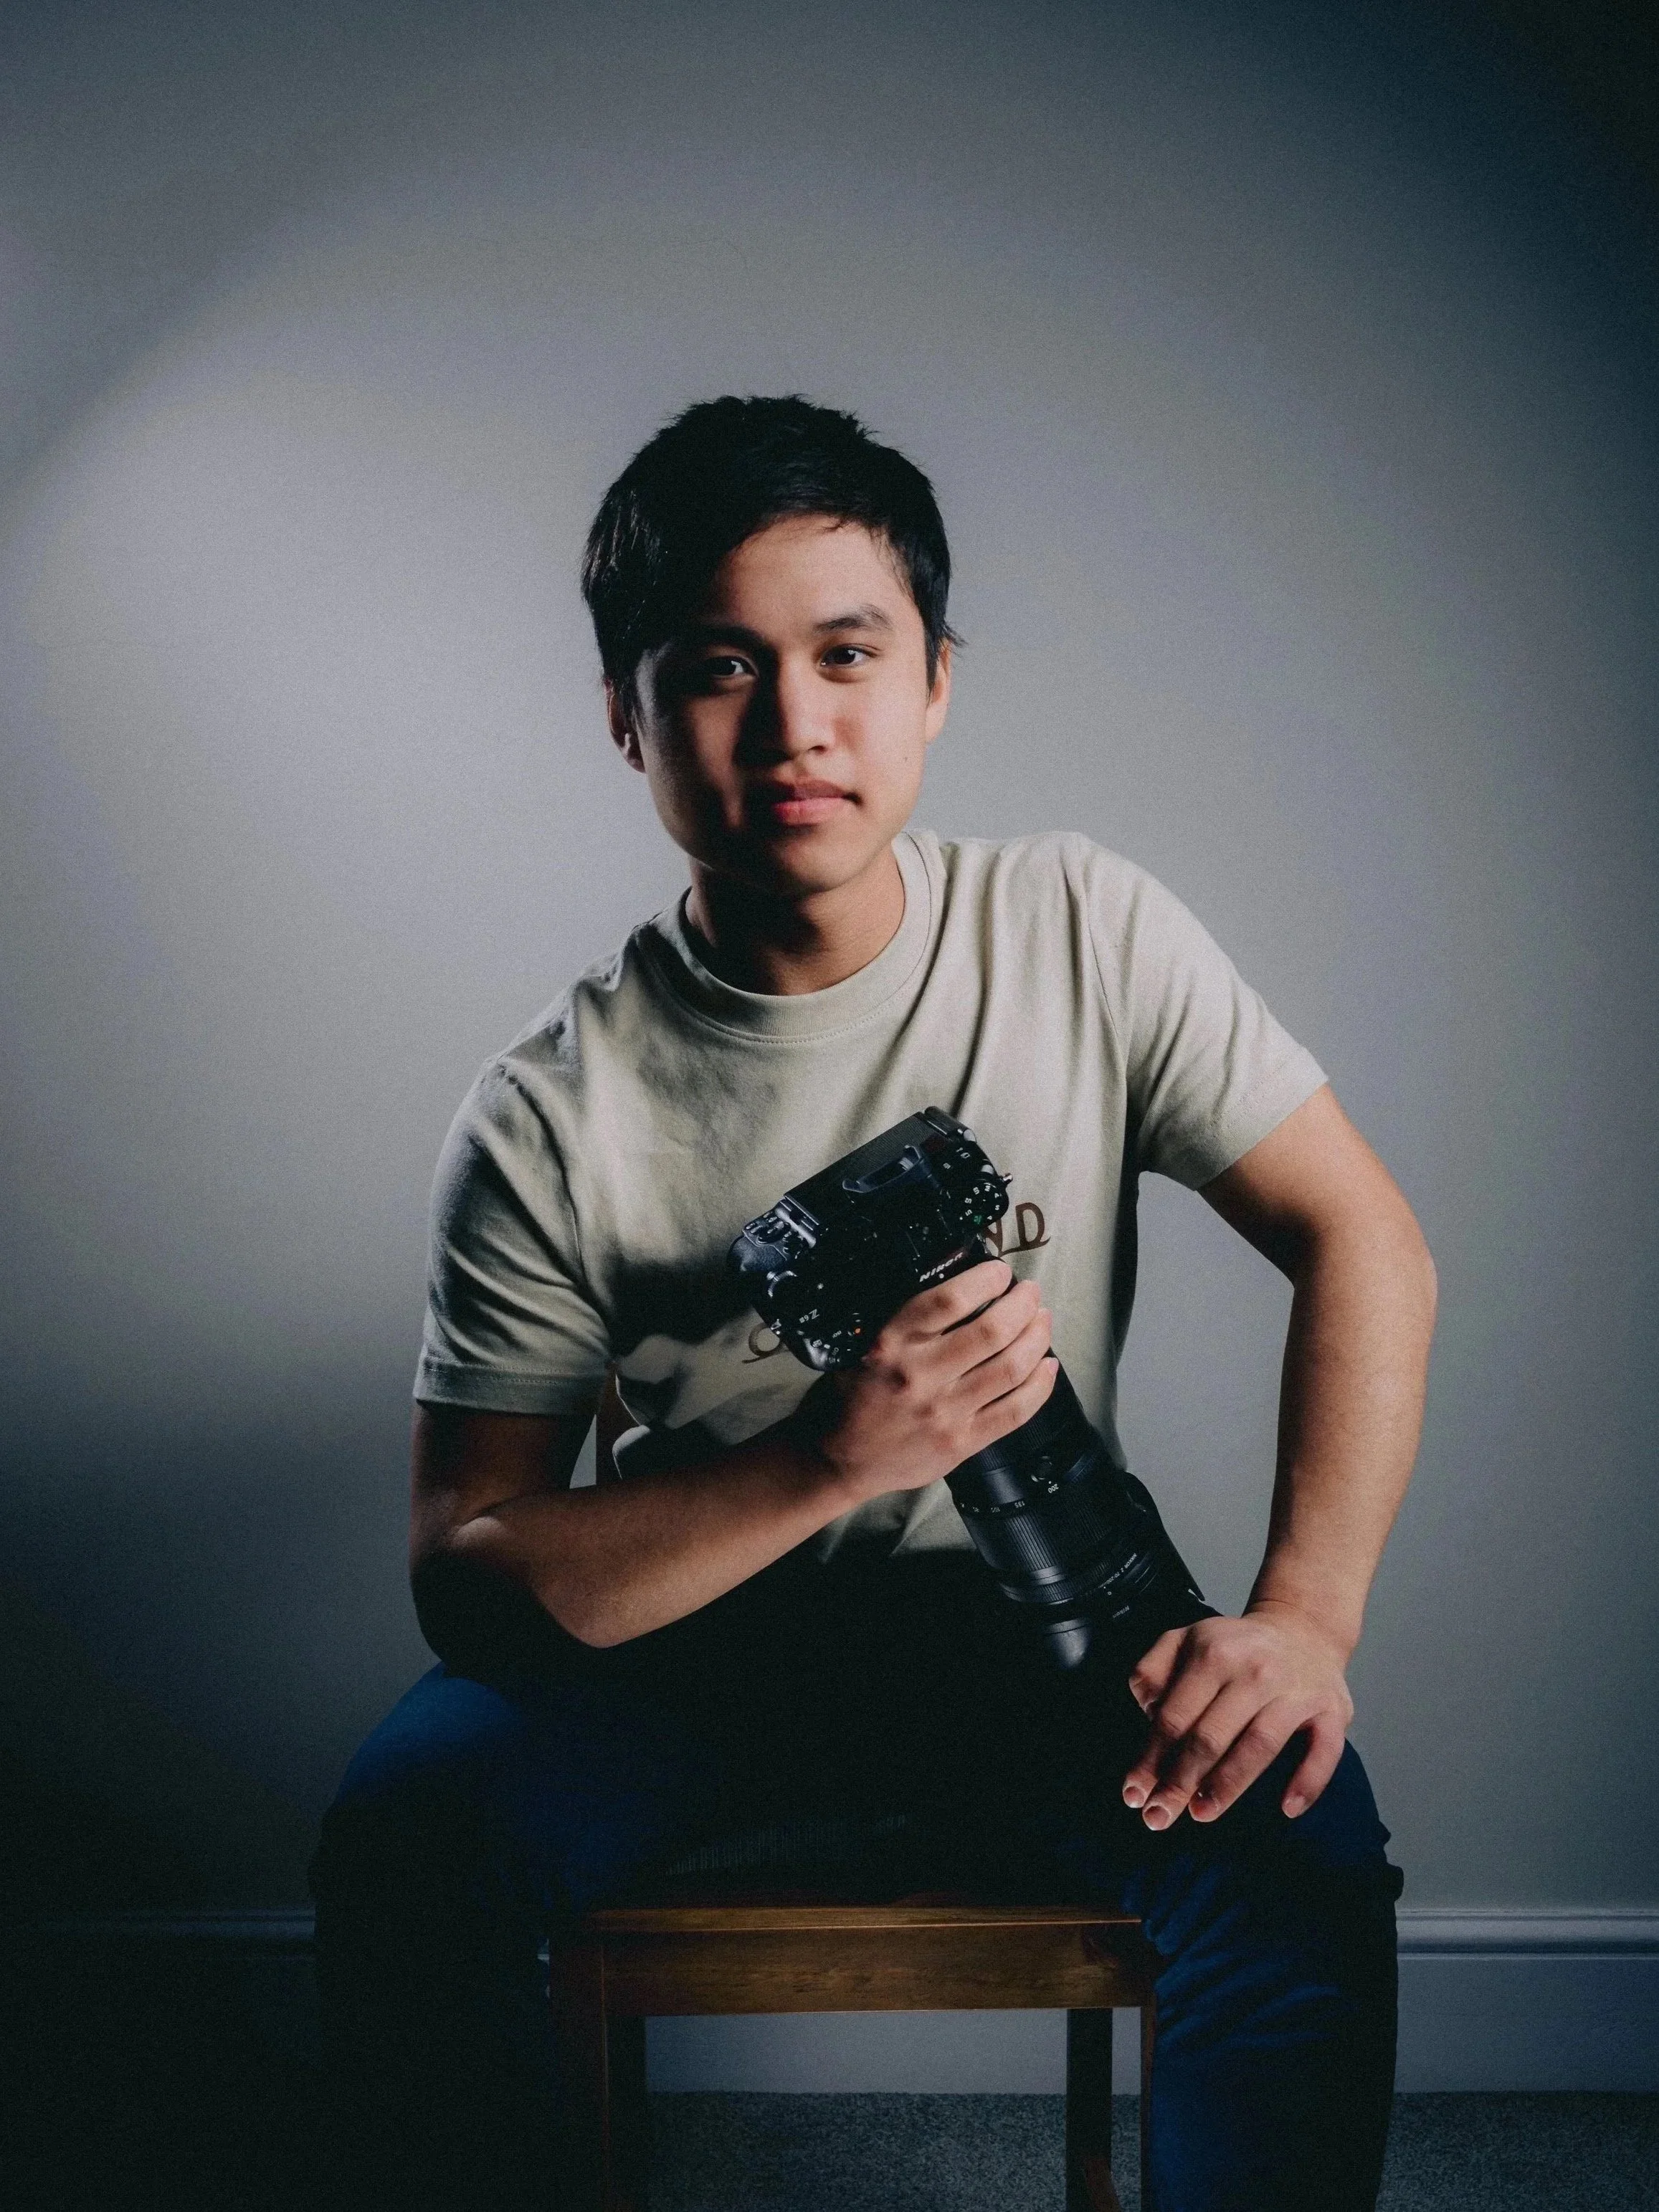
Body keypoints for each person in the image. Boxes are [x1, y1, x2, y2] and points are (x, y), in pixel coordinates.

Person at [311, 396, 1437, 2211]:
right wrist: (833, 1455)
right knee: (403, 1844)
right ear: (628, 716)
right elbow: (468, 1564)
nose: (793, 723)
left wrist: (1302, 1615)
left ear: (932, 686)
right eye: (717, 668)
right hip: (694, 1641)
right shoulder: (547, 1109)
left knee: (1292, 1827)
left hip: (1040, 1629)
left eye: (847, 654)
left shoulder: (1083, 925)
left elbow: (1362, 1237)